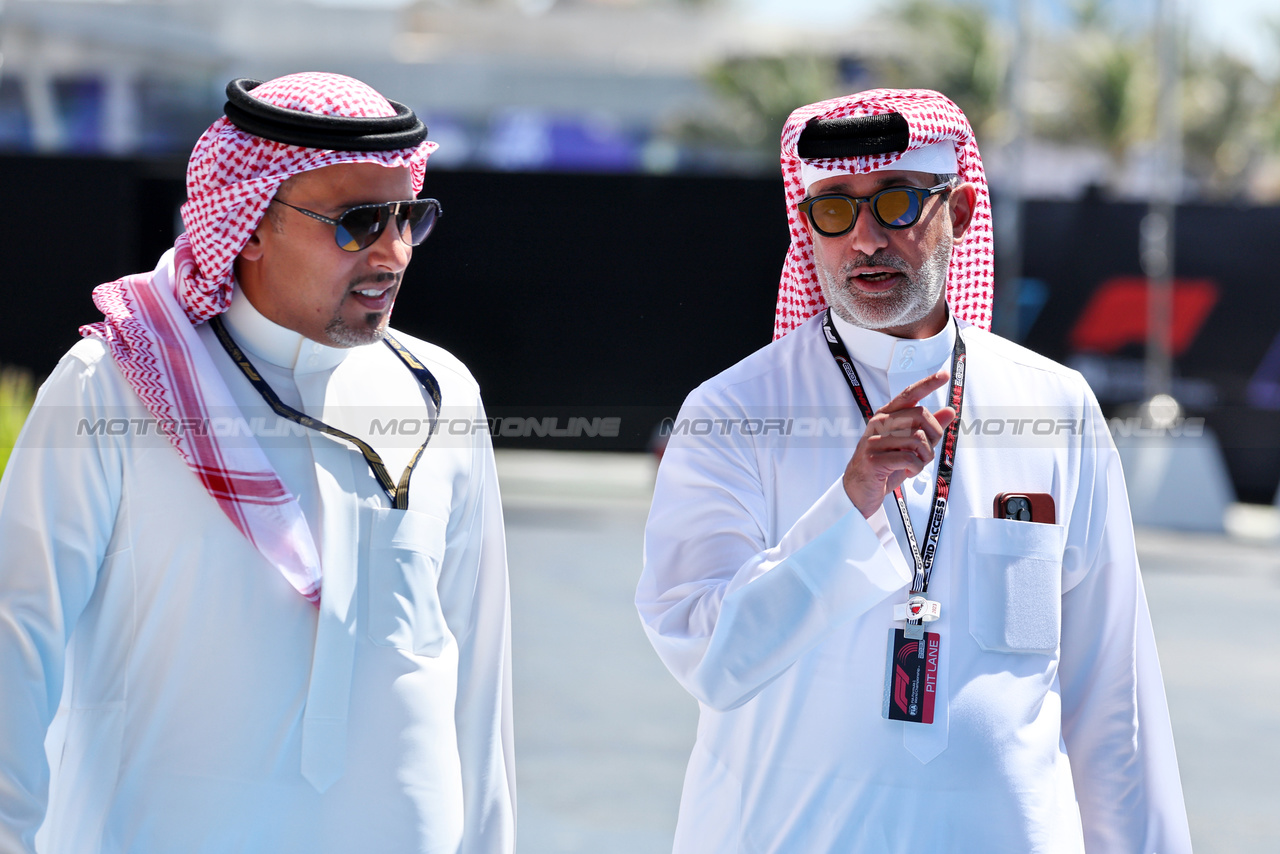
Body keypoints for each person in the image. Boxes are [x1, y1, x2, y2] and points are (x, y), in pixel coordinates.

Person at [636, 89, 1191, 853]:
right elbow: (712, 657)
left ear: (960, 212)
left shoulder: (1054, 405)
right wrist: (848, 504)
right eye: (834, 210)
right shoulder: (735, 412)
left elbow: (1113, 699)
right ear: (807, 227)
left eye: (895, 203)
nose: (864, 239)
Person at [0, 73, 514, 853]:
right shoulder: (116, 383)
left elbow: (478, 667)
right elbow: (16, 632)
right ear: (247, 224)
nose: (394, 252)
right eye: (359, 222)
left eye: (410, 217)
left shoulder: (439, 391)